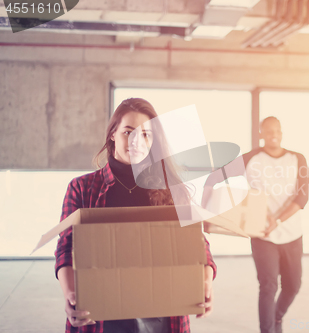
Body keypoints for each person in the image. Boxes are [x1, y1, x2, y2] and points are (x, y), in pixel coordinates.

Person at [55, 98, 216, 333]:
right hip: (101, 315)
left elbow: (197, 245)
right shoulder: (82, 188)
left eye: (146, 135)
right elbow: (66, 247)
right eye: (128, 132)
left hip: (162, 313)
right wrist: (70, 295)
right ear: (113, 134)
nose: (136, 142)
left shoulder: (172, 189)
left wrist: (205, 281)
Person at [203, 116, 309, 333]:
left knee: (293, 286)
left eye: (277, 130)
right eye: (268, 130)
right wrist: (208, 214)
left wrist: (277, 219)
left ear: (282, 132)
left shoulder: (298, 158)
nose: (273, 134)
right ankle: (268, 330)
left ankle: (277, 318)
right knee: (268, 287)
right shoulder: (251, 158)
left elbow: (302, 197)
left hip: (292, 234)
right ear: (261, 133)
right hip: (262, 235)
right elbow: (214, 178)